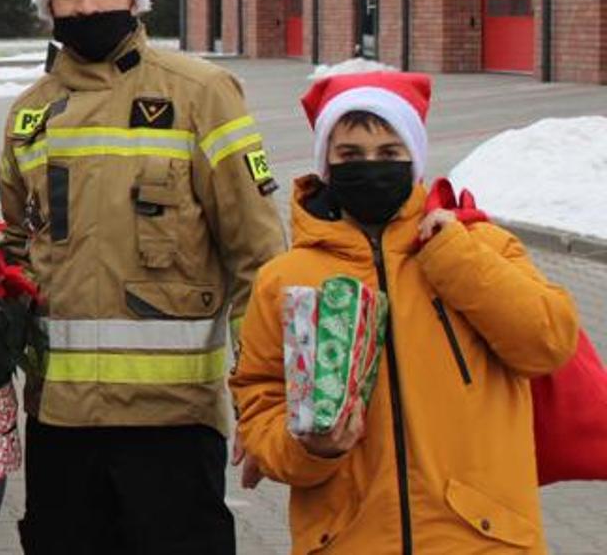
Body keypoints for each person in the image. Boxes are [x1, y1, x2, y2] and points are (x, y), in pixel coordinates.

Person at [0, 0, 285, 554]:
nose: (87, 3)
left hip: (172, 418)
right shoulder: (30, 114)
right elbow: (16, 247)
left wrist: (267, 397)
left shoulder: (201, 92)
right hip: (60, 418)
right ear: (48, 6)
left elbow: (258, 256)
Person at [230, 71, 578, 554]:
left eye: (389, 154)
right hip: (349, 540)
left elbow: (548, 342)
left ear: (413, 159)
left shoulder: (478, 246)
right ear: (326, 164)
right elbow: (259, 404)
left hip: (481, 541)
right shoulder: (284, 278)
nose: (370, 167)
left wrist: (452, 257)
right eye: (349, 155)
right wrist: (310, 450)